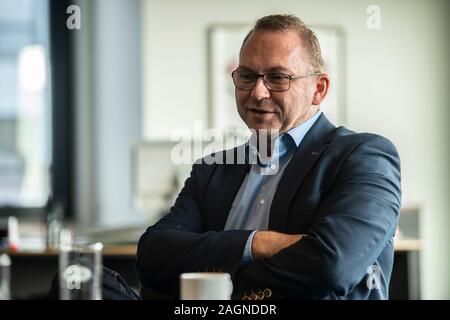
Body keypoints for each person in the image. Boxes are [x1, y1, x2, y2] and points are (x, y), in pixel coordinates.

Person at [136, 14, 401, 300]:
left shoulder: (363, 156)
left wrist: (219, 285)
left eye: (277, 77)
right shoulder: (211, 170)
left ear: (318, 90)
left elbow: (331, 267)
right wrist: (258, 243)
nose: (258, 92)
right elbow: (153, 256)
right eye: (247, 76)